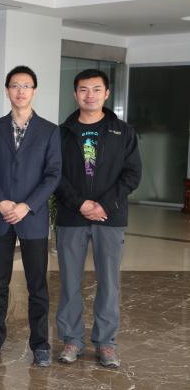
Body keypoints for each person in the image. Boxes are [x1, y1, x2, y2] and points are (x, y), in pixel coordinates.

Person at [0, 65, 61, 367]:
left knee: (38, 285)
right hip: (0, 216)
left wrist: (26, 205)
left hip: (32, 218)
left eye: (26, 85)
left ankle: (40, 344)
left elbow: (53, 174)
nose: (20, 91)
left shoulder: (49, 130)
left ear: (34, 91)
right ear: (7, 90)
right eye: (15, 85)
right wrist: (2, 202)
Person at [55, 69, 141, 368]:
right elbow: (55, 174)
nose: (89, 95)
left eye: (95, 89)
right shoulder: (62, 132)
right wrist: (80, 203)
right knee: (69, 281)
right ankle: (71, 340)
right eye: (83, 89)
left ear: (106, 94)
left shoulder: (123, 131)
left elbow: (132, 174)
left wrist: (103, 204)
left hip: (110, 216)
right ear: (75, 94)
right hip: (71, 216)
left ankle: (106, 343)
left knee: (109, 282)